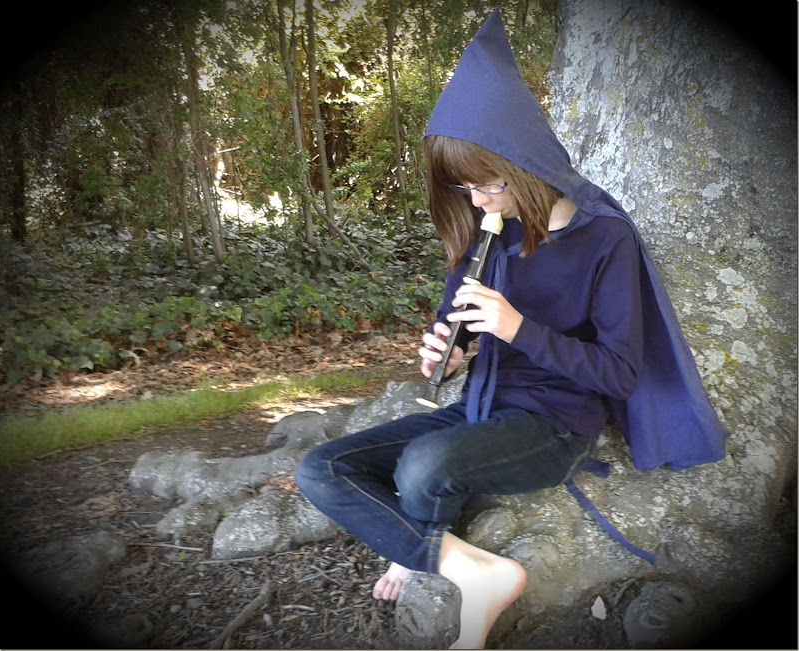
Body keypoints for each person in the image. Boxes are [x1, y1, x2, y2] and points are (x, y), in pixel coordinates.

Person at [295, 8, 728, 649]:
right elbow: (460, 322)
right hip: (477, 409)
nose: (477, 202)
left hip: (554, 424)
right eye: (464, 188)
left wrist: (519, 328)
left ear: (526, 164)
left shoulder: (605, 239)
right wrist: (449, 349)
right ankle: (452, 560)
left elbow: (618, 373)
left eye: (488, 186)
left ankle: (427, 550)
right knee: (320, 467)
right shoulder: (488, 231)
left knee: (422, 467)